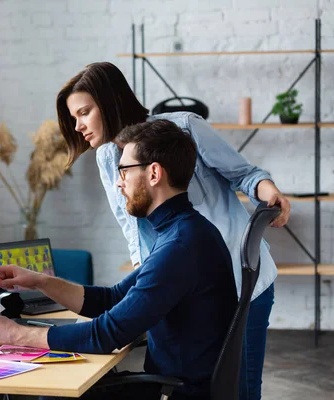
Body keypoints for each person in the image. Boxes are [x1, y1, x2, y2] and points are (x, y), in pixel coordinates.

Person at [55, 62, 291, 400]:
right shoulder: (108, 158)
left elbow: (244, 174)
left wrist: (270, 193)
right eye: (73, 118)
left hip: (242, 286)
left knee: (239, 389)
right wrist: (142, 296)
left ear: (109, 103)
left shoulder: (185, 129)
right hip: (182, 291)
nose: (78, 126)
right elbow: (134, 232)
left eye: (84, 113)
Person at [0, 120, 238, 399]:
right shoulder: (185, 231)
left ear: (154, 173)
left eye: (124, 170)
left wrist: (16, 335)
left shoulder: (179, 246)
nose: (119, 182)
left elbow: (107, 335)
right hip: (171, 385)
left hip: (174, 392)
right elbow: (113, 298)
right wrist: (40, 281)